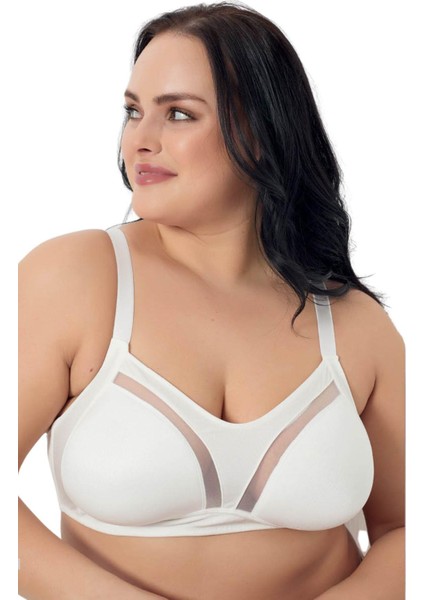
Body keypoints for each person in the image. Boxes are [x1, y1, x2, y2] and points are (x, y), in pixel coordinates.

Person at [18, 2, 405, 599]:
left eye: (178, 114)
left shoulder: (355, 323)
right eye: (133, 111)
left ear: (262, 131)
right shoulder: (74, 279)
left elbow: (404, 529)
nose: (140, 140)